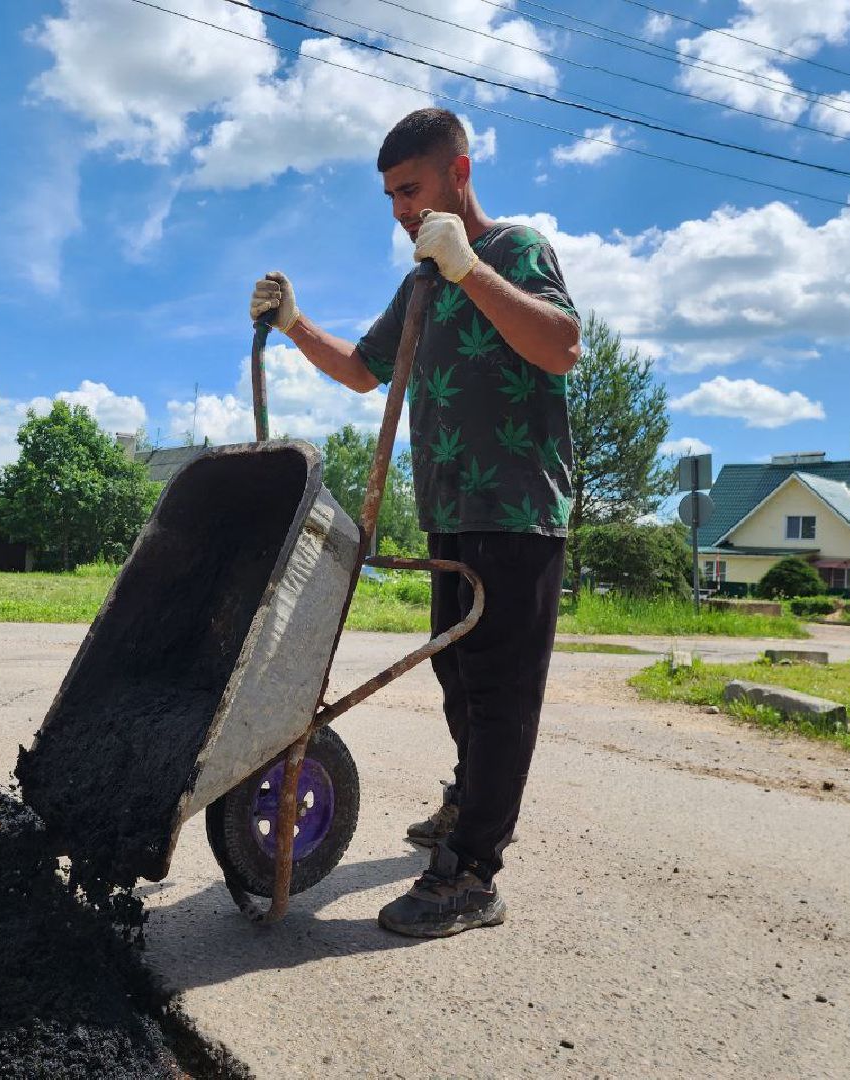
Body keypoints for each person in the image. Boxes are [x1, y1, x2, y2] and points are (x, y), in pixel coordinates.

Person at [249, 108, 580, 938]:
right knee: (458, 678)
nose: (400, 209)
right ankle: (471, 802)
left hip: (517, 510)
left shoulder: (509, 250)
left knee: (501, 693)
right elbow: (362, 373)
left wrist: (468, 267)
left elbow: (561, 347)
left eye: (412, 189)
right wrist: (294, 326)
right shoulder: (422, 282)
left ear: (458, 174)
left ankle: (473, 874)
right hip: (451, 509)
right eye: (391, 195)